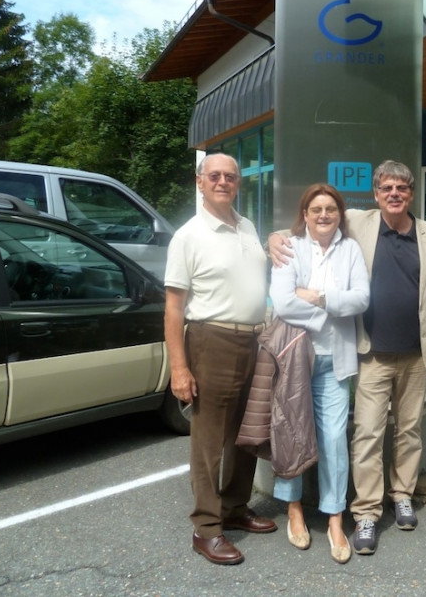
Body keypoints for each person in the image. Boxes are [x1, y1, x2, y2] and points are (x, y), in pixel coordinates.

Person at [269, 160, 426, 556]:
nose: (394, 194)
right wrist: (271, 238)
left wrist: (318, 299)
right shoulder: (359, 224)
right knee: (365, 434)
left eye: (402, 188)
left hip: (414, 353)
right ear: (377, 193)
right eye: (387, 188)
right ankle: (365, 511)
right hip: (368, 353)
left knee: (408, 430)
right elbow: (307, 224)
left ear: (412, 193)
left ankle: (400, 494)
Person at [164, 153, 276, 566]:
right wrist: (179, 367)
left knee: (246, 432)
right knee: (210, 440)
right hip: (212, 340)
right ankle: (207, 527)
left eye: (230, 176)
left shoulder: (245, 227)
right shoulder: (189, 236)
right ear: (200, 182)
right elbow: (174, 308)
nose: (223, 182)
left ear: (238, 183)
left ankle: (235, 506)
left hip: (253, 340)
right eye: (215, 176)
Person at [269, 183, 370, 565]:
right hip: (296, 357)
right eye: (316, 209)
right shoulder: (289, 247)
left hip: (335, 361)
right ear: (305, 214)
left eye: (330, 208)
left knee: (332, 439)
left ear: (339, 213)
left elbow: (362, 297)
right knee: (293, 430)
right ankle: (293, 508)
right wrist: (328, 312)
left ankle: (334, 517)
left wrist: (319, 297)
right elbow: (282, 301)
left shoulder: (351, 249)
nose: (324, 215)